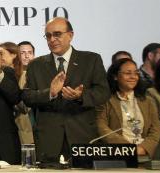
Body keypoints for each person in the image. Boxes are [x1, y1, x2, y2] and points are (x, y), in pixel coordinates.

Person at [22, 17, 110, 163]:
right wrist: (49, 93)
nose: (52, 39)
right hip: (48, 139)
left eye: (57, 34)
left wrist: (81, 96)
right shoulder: (35, 65)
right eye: (48, 36)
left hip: (82, 136)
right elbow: (27, 96)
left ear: (71, 35)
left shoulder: (91, 60)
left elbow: (103, 92)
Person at [96, 58, 160, 158]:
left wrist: (144, 148)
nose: (133, 77)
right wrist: (128, 148)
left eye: (136, 73)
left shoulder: (147, 101)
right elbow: (101, 127)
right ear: (115, 76)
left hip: (143, 154)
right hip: (117, 154)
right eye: (128, 73)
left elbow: (155, 130)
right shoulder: (105, 100)